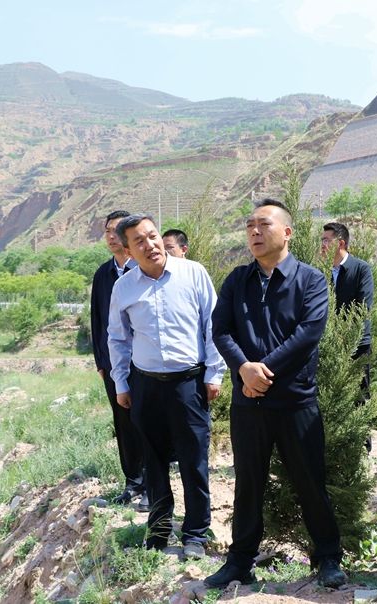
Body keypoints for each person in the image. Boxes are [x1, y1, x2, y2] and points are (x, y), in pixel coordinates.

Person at [207, 199, 347, 589]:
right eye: (249, 225)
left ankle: (328, 557)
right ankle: (240, 561)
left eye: (264, 224)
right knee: (248, 483)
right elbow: (221, 330)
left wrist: (261, 370)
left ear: (287, 232)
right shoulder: (237, 280)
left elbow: (308, 334)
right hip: (248, 402)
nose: (254, 231)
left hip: (295, 401)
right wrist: (243, 368)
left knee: (310, 482)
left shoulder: (310, 280)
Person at [107, 214, 225, 559]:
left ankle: (195, 534)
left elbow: (213, 324)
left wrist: (214, 373)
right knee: (153, 460)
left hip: (189, 382)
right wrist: (121, 383)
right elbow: (117, 338)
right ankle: (159, 530)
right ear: (128, 250)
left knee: (194, 459)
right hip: (145, 385)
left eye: (153, 236)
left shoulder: (193, 273)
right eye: (139, 241)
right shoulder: (124, 287)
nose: (150, 245)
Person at [89, 210, 148, 509]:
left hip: (146, 362)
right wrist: (101, 362)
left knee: (147, 422)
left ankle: (152, 483)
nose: (111, 236)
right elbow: (97, 320)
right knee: (123, 423)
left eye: (116, 230)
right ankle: (133, 482)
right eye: (107, 231)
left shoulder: (143, 269)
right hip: (114, 365)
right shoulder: (103, 274)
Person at [320, 222, 374, 448]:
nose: (322, 244)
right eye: (322, 240)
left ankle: (361, 448)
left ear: (340, 243)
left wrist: (344, 336)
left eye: (326, 240)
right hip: (326, 345)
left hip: (357, 344)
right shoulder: (320, 272)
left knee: (359, 395)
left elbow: (363, 308)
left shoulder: (361, 269)